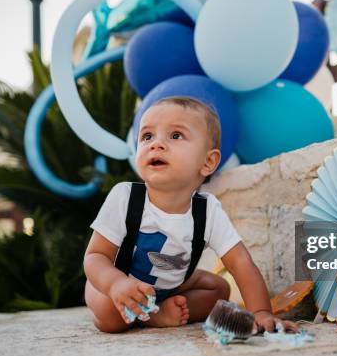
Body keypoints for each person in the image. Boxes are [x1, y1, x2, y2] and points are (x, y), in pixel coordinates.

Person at [84, 96, 298, 334]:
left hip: (172, 284)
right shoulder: (125, 197)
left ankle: (157, 310)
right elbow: (95, 257)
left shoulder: (207, 210)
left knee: (218, 290)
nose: (156, 144)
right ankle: (153, 316)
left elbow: (240, 263)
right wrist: (115, 284)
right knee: (109, 316)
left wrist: (261, 312)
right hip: (117, 282)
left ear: (208, 162)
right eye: (147, 136)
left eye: (175, 136)